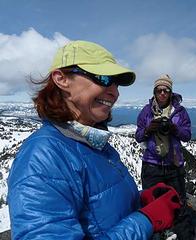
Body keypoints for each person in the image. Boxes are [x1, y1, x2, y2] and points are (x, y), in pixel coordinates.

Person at [7, 40, 181, 240]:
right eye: (104, 78)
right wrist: (145, 220)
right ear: (61, 79)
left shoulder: (93, 142)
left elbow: (97, 211)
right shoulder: (42, 158)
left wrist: (140, 201)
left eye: (116, 83)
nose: (115, 92)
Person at [135, 74, 194, 239]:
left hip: (173, 165)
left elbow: (187, 135)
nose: (162, 93)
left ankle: (185, 236)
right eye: (159, 90)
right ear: (154, 92)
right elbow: (138, 136)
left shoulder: (179, 112)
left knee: (179, 204)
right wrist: (148, 129)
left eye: (166, 90)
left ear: (170, 92)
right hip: (152, 165)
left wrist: (174, 128)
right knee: (152, 205)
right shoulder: (146, 112)